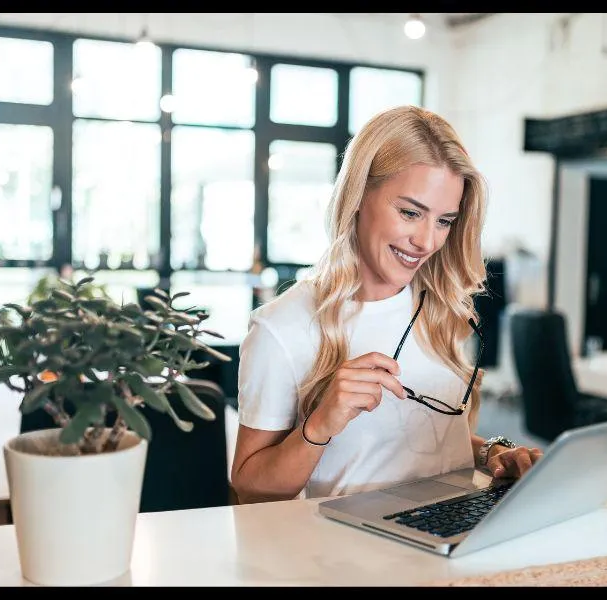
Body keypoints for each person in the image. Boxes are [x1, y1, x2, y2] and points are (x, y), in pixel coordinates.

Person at [231, 105, 542, 504]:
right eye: (411, 212)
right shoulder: (282, 327)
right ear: (358, 195)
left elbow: (428, 434)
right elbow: (250, 486)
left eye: (444, 221)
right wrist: (321, 422)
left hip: (450, 537)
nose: (427, 241)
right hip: (351, 554)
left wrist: (490, 453)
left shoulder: (439, 306)